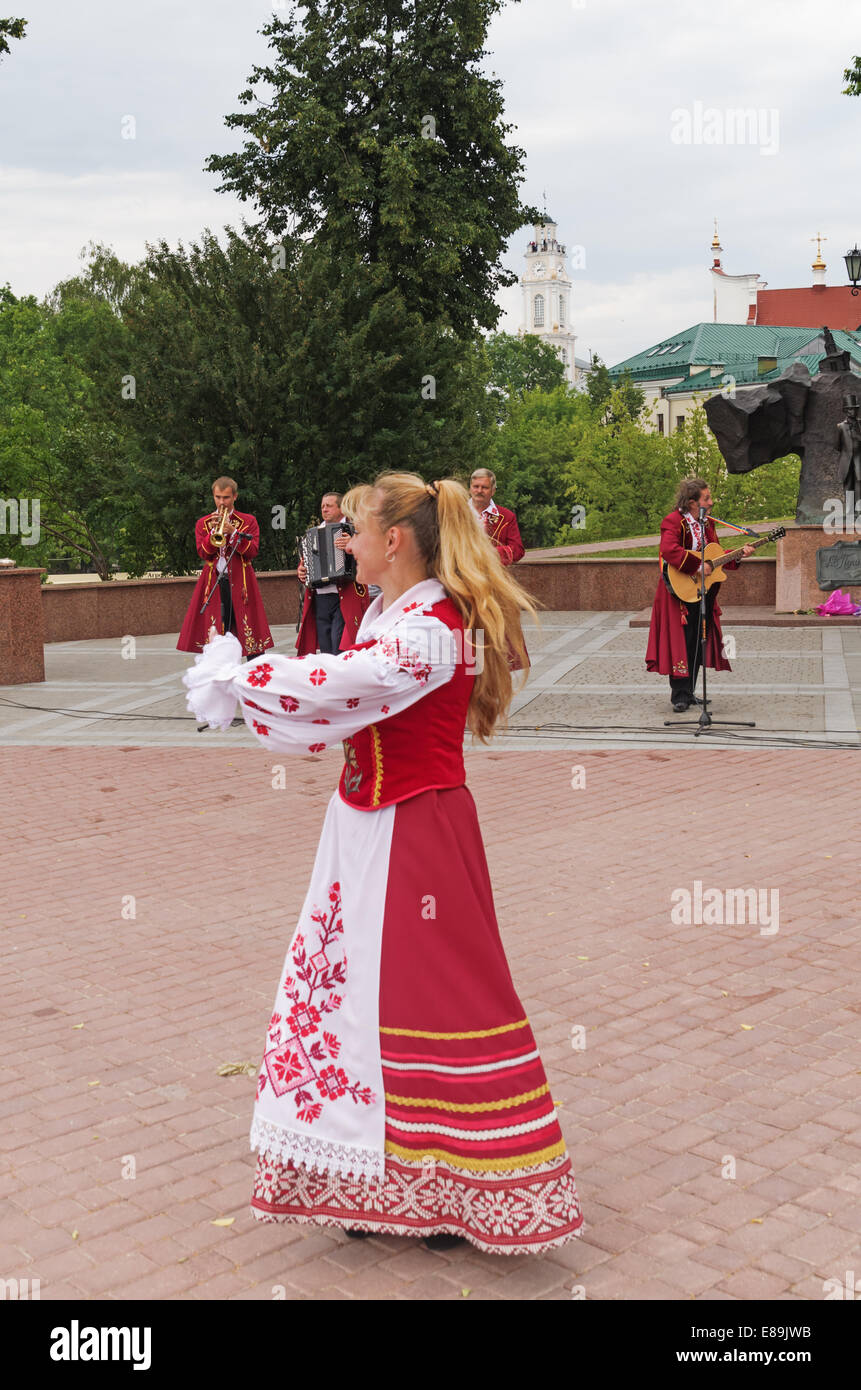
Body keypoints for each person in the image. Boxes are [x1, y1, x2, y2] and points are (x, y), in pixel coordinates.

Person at [183, 472, 583, 1254]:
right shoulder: (393, 610)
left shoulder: (430, 627)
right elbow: (338, 708)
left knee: (430, 996)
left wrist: (241, 675)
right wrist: (254, 685)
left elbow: (343, 683)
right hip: (365, 829)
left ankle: (457, 1185)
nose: (345, 542)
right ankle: (373, 1179)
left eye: (355, 530)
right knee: (349, 997)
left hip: (417, 831)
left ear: (393, 541)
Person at [646, 478, 754, 712]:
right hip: (678, 592)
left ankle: (691, 691)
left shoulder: (707, 525)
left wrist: (737, 554)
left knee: (697, 639)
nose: (711, 502)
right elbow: (669, 550)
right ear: (692, 502)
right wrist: (696, 566)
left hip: (702, 590)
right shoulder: (673, 521)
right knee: (681, 641)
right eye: (706, 498)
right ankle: (679, 695)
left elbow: (713, 555)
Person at [176, 476, 273, 658]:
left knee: (249, 630)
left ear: (235, 497)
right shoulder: (203, 523)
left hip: (241, 582)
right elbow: (204, 553)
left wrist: (234, 533)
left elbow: (252, 551)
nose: (222, 502)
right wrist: (214, 532)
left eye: (226, 497)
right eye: (218, 497)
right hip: (214, 582)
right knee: (218, 630)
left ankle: (255, 677)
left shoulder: (248, 521)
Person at [296, 492, 371, 655]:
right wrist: (302, 571)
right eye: (322, 506)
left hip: (346, 594)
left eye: (329, 506)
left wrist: (353, 543)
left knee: (340, 644)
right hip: (321, 595)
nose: (324, 509)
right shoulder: (314, 533)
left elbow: (372, 554)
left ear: (341, 510)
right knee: (325, 646)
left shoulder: (356, 529)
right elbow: (306, 559)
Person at [468, 469, 525, 566]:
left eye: (485, 487)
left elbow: (518, 550)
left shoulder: (507, 517)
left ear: (493, 491)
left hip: (494, 576)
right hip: (460, 576)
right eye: (476, 486)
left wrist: (489, 554)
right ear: (470, 488)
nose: (479, 490)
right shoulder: (456, 513)